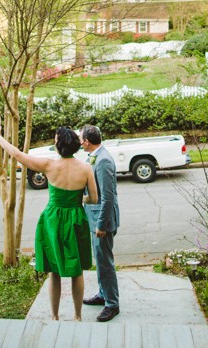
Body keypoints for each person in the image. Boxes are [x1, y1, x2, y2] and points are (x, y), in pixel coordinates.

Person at [0, 116, 97, 321]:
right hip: (76, 218)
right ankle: (77, 316)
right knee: (76, 271)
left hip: (53, 220)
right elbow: (94, 199)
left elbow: (15, 153)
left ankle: (55, 316)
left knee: (54, 271)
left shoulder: (49, 165)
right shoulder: (86, 168)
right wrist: (75, 200)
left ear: (58, 146)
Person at [79, 124, 120, 322]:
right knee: (100, 260)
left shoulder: (103, 160)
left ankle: (112, 304)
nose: (80, 142)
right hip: (94, 218)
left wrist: (101, 225)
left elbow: (108, 196)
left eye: (81, 139)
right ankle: (103, 294)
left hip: (102, 221)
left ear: (87, 141)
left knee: (105, 262)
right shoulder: (94, 156)